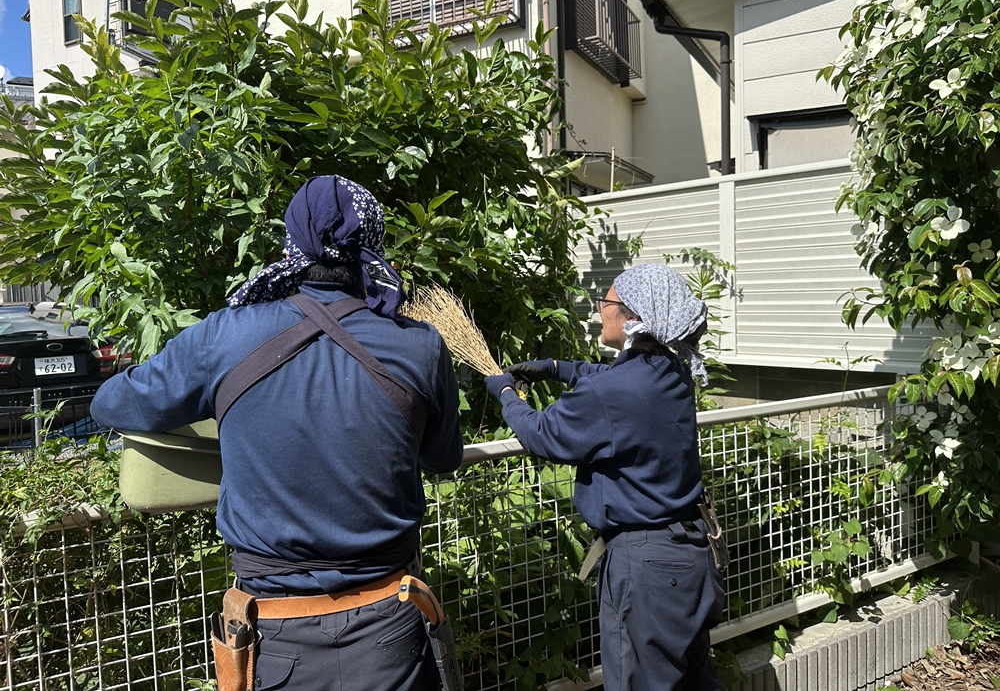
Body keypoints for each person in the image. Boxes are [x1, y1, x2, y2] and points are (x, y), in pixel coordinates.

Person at [91, 175, 463, 691]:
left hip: (274, 635)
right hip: (391, 626)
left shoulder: (226, 335)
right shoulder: (420, 344)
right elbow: (443, 457)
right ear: (372, 244)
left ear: (293, 242)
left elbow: (112, 404)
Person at [484, 264, 724, 691]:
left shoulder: (614, 393)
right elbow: (611, 379)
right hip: (690, 555)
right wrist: (558, 367)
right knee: (692, 681)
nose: (599, 310)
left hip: (646, 567)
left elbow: (543, 435)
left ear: (631, 318)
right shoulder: (671, 371)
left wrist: (506, 394)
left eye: (606, 302)